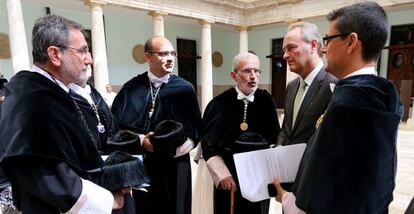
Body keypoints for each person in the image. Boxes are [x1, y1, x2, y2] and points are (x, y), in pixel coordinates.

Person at [273, 2, 403, 213]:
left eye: (328, 40)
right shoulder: (382, 92)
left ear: (351, 42)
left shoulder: (350, 102)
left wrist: (288, 199)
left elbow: (326, 190)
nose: (324, 48)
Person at [0, 14, 129, 213]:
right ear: (55, 55)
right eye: (83, 51)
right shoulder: (30, 98)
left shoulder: (57, 91)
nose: (90, 59)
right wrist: (106, 200)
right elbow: (40, 171)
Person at [111, 36, 201, 214]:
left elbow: (195, 130)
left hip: (175, 165)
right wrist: (141, 140)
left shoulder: (185, 89)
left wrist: (175, 150)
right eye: (163, 54)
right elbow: (117, 128)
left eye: (172, 53)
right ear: (148, 56)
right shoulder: (131, 88)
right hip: (142, 164)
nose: (170, 58)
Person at [201, 52, 280, 214]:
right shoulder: (219, 103)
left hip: (258, 176)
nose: (253, 76)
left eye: (257, 71)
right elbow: (208, 143)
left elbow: (275, 137)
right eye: (247, 71)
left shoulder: (266, 100)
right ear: (234, 75)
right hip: (229, 176)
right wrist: (222, 174)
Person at [277, 22, 337, 191]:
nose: (285, 55)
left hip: (316, 184)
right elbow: (287, 128)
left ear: (312, 45)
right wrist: (279, 150)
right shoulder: (291, 86)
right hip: (290, 182)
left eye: (291, 48)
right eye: (284, 50)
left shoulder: (334, 84)